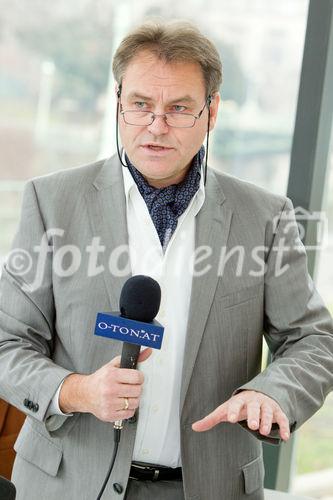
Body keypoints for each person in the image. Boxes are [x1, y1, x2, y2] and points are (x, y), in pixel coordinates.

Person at [0, 19, 333, 500]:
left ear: (211, 112)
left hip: (208, 488)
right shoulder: (51, 202)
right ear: (119, 104)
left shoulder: (266, 217)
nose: (156, 126)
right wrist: (76, 390)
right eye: (140, 105)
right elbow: (7, 343)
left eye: (178, 108)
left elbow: (314, 340)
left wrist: (272, 392)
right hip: (66, 484)